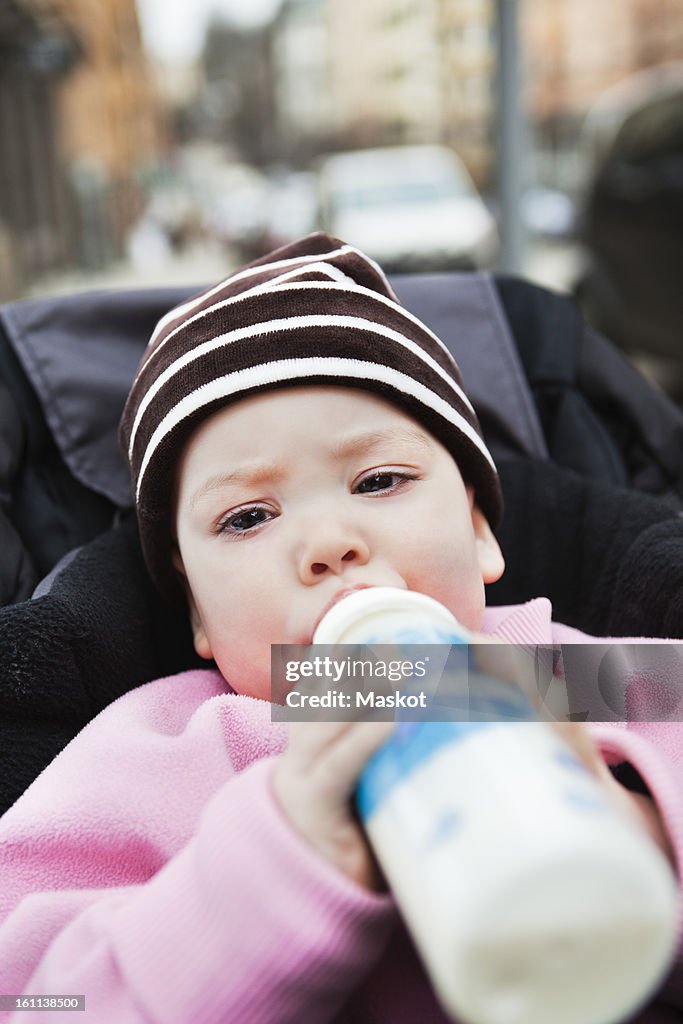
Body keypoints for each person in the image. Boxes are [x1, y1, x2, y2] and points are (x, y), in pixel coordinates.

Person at [0, 233, 681, 1023]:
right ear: (196, 614)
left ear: (480, 530)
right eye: (248, 517)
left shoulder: (578, 675)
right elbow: (37, 997)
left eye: (379, 479)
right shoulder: (163, 750)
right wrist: (279, 865)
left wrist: (641, 826)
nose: (329, 544)